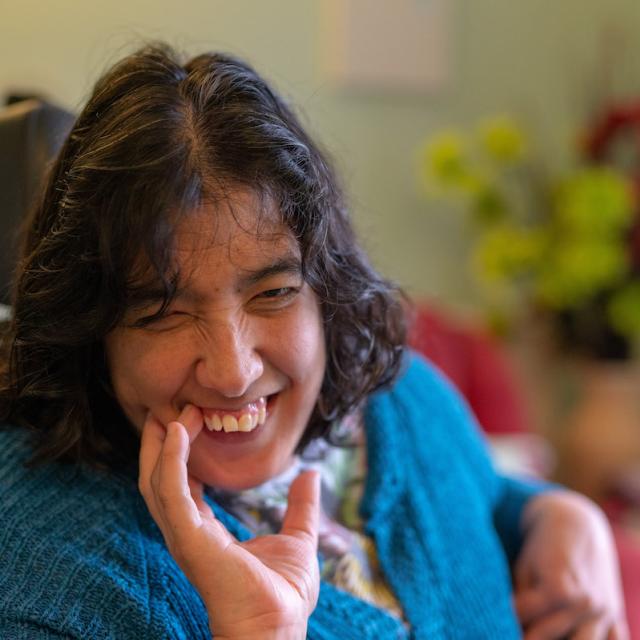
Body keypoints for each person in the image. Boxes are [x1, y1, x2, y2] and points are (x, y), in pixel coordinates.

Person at [0, 43, 628, 640]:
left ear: (327, 288)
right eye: (164, 312)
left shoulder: (403, 396)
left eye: (273, 292)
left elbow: (480, 496)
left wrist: (557, 515)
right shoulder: (46, 581)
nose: (233, 372)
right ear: (89, 328)